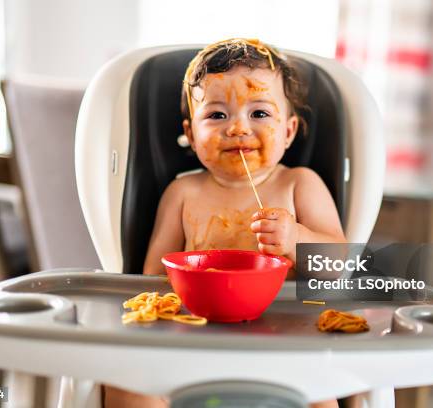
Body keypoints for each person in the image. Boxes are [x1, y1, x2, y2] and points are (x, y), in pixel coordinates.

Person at [104, 38, 346, 408]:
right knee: (124, 388)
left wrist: (295, 238)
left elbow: (339, 268)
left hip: (285, 345)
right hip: (191, 344)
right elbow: (151, 279)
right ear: (191, 132)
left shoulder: (299, 185)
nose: (237, 128)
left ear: (289, 130)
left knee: (321, 399)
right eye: (216, 115)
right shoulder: (182, 193)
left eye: (260, 113)